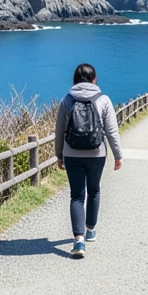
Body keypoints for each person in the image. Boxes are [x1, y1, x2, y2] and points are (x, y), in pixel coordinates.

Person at [54, 62, 123, 258]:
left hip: (72, 153)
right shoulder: (103, 100)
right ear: (94, 80)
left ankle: (78, 241)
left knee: (76, 195)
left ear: (75, 80)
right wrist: (118, 155)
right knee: (94, 190)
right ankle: (91, 229)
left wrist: (59, 155)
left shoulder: (67, 100)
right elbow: (111, 131)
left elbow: (59, 132)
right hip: (97, 153)